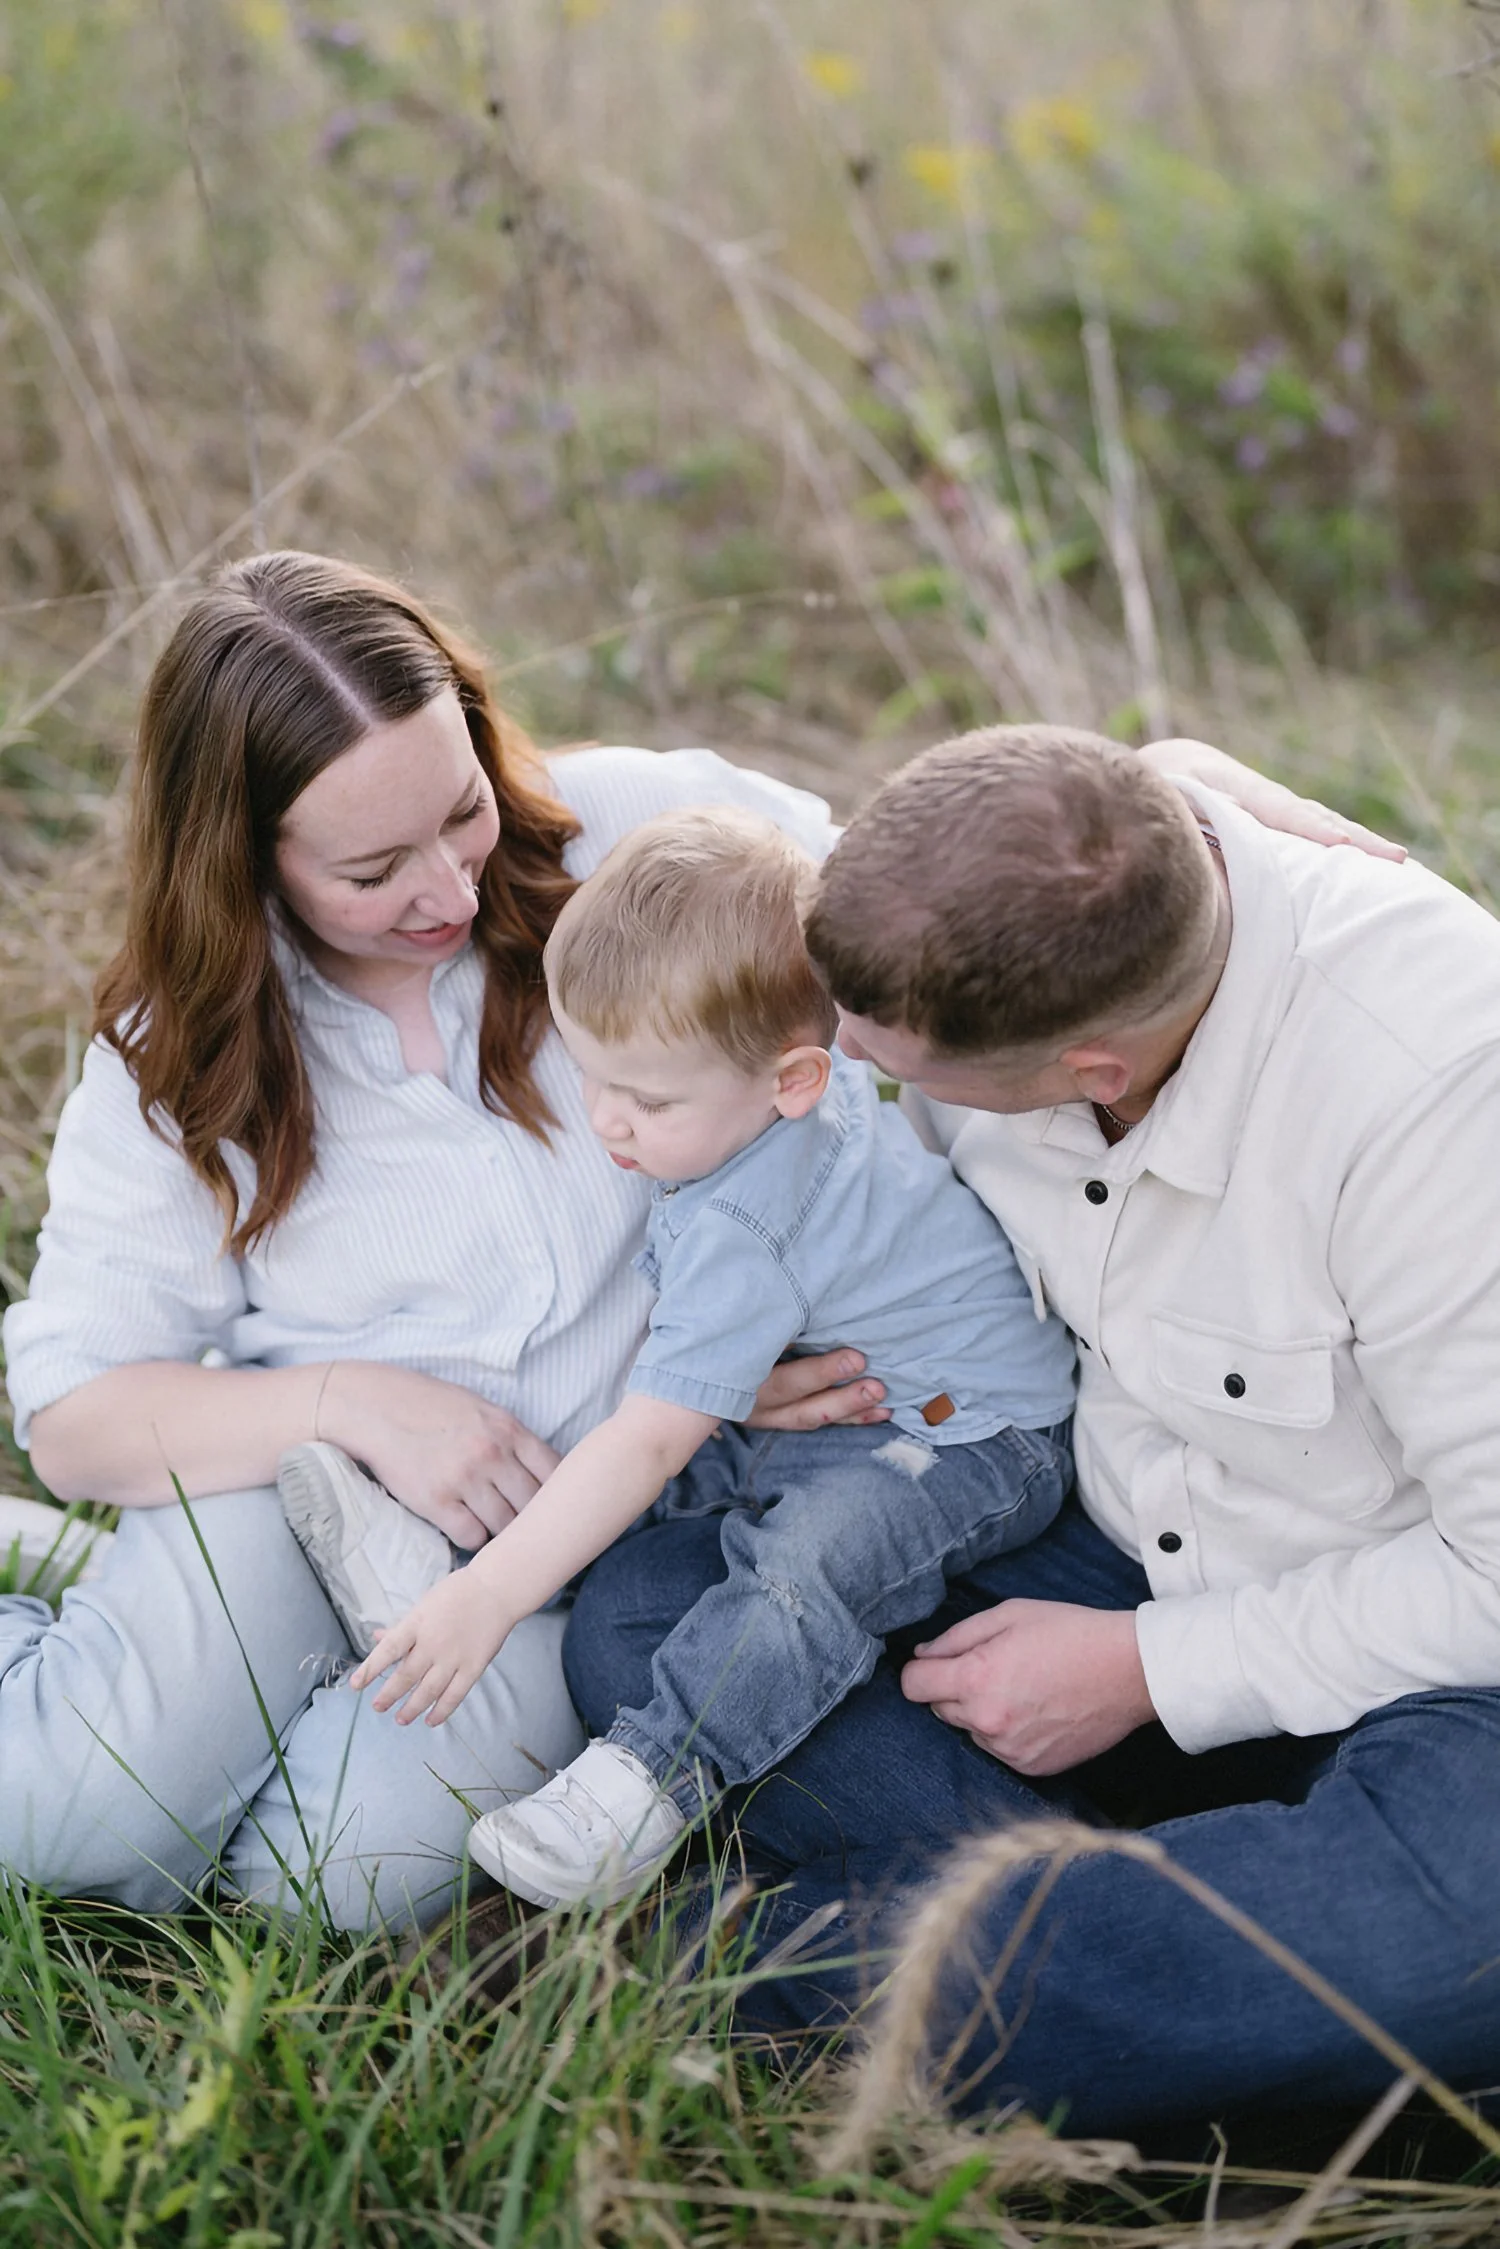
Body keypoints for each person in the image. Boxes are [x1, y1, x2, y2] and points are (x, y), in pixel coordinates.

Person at [563, 722, 1500, 2139]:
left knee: (1445, 1949)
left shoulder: (1439, 1097)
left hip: (1432, 1657)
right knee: (648, 1611)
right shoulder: (1054, 872)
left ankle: (761, 1958)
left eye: (896, 1073)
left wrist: (1147, 1668)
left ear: (1090, 1070)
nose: (845, 1078)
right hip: (1113, 1524)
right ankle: (1175, 1946)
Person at [0, 548, 876, 1933]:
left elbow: (914, 895)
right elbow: (77, 1414)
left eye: (458, 811)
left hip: (564, 1565)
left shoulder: (632, 836)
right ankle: (75, 1637)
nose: (449, 893)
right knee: (77, 1816)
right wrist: (360, 1404)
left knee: (330, 1881)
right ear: (244, 862)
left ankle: (124, 1626)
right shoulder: (182, 1048)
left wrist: (714, 1365)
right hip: (301, 1502)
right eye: (370, 868)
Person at [295, 807, 1073, 1907]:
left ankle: (649, 1780)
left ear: (795, 1078)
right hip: (857, 1393)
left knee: (805, 1563)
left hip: (970, 1435)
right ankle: (452, 1573)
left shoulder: (743, 1223)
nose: (610, 1123)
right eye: (593, 1076)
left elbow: (651, 1437)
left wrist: (495, 1602)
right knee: (697, 1482)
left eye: (649, 1099)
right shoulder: (767, 1079)